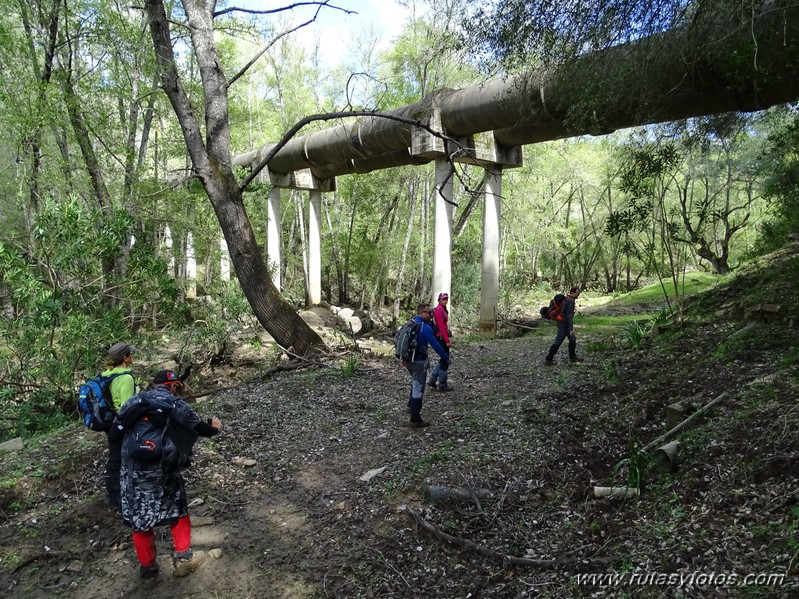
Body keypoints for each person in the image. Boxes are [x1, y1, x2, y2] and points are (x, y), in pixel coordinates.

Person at [116, 369, 221, 588]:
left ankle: (148, 573)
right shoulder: (176, 405)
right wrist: (215, 427)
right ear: (173, 386)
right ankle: (183, 559)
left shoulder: (133, 402)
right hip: (163, 469)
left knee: (139, 518)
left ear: (153, 384)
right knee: (177, 509)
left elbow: (115, 431)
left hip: (133, 471)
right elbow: (202, 429)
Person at [103, 342, 138, 512]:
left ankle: (115, 497)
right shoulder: (125, 378)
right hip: (120, 423)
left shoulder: (108, 374)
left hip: (110, 422)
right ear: (125, 358)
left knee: (115, 457)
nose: (132, 356)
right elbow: (126, 407)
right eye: (130, 354)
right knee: (118, 458)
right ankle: (117, 499)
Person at [403, 303, 451, 428]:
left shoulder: (410, 323)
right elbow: (435, 345)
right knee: (419, 389)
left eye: (432, 312)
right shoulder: (425, 328)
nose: (432, 315)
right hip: (419, 362)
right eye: (429, 312)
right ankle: (415, 419)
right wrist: (446, 358)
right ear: (421, 313)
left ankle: (410, 406)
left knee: (415, 383)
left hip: (407, 360)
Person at [545, 286, 583, 365]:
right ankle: (548, 359)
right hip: (563, 324)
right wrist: (571, 329)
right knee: (558, 341)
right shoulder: (570, 301)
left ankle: (572, 358)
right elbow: (569, 316)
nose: (578, 296)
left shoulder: (566, 299)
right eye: (577, 294)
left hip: (561, 322)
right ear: (572, 292)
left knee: (572, 340)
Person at [427, 292, 453, 392]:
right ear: (439, 300)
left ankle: (432, 380)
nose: (445, 301)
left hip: (441, 336)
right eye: (443, 299)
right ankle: (442, 384)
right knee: (445, 360)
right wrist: (447, 340)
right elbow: (441, 327)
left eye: (446, 299)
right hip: (441, 337)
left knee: (443, 359)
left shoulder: (441, 309)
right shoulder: (439, 310)